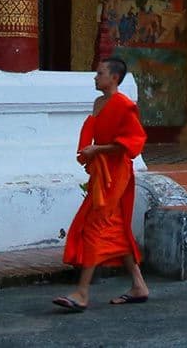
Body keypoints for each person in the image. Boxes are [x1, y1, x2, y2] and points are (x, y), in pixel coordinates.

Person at [54, 56, 151, 311]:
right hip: (101, 173)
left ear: (114, 78)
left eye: (100, 73)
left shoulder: (124, 105)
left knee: (96, 225)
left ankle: (82, 292)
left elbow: (133, 142)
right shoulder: (99, 103)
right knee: (114, 226)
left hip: (117, 172)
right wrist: (93, 152)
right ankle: (139, 285)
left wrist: (98, 150)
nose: (95, 77)